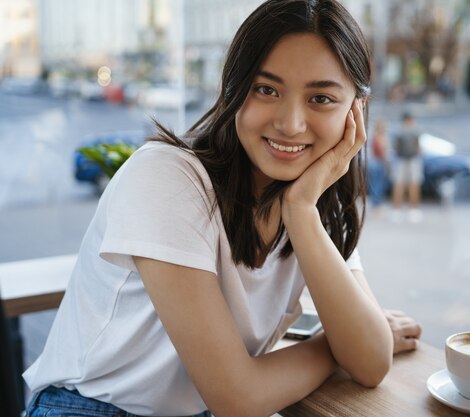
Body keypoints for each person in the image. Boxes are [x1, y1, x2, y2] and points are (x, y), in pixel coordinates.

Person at [24, 1, 422, 416]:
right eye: (266, 89)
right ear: (234, 89)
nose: (290, 123)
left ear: (354, 111)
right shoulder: (167, 177)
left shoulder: (314, 203)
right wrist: (331, 345)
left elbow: (372, 361)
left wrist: (301, 212)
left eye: (321, 98)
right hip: (87, 408)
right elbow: (237, 397)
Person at [391, 112, 423, 223]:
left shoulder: (407, 131)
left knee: (412, 184)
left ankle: (410, 209)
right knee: (401, 184)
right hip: (403, 160)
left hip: (409, 160)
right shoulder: (408, 131)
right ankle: (400, 210)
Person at [366, 118, 390, 212]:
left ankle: (376, 204)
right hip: (378, 162)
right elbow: (381, 151)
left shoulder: (376, 136)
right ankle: (376, 205)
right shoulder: (378, 137)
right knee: (377, 184)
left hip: (376, 162)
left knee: (377, 183)